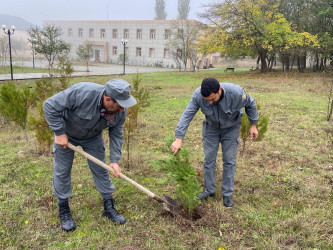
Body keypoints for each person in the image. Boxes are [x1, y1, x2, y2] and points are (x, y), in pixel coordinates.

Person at [43, 79, 137, 231]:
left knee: (102, 169)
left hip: (93, 137)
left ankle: (109, 207)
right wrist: (59, 132)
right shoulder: (82, 93)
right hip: (67, 135)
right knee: (62, 171)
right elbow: (49, 105)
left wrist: (115, 160)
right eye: (119, 105)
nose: (122, 110)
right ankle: (64, 210)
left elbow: (117, 134)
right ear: (108, 99)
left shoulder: (121, 110)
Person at [170, 78, 258, 207]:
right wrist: (179, 138)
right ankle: (209, 190)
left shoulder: (237, 93)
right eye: (207, 101)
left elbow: (251, 104)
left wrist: (253, 125)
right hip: (211, 127)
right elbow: (187, 115)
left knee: (229, 160)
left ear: (219, 90)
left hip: (231, 128)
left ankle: (227, 194)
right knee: (209, 159)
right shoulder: (198, 95)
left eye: (213, 99)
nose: (210, 103)